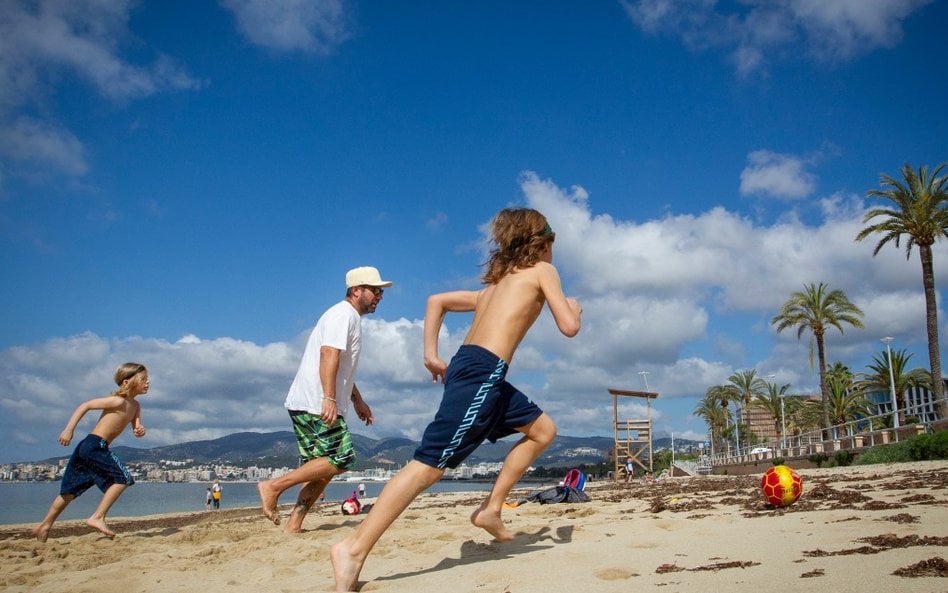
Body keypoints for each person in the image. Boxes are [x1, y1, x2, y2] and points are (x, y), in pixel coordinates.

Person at [331, 208, 582, 591]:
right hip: (482, 372)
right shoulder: (543, 271)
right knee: (429, 465)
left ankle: (492, 509)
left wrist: (431, 354)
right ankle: (353, 547)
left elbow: (437, 301)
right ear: (543, 244)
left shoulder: (493, 288)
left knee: (543, 430)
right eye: (552, 246)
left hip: (482, 372)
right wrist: (575, 309)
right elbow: (569, 327)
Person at [257, 266, 391, 533]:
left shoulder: (349, 317)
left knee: (325, 469)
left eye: (381, 292)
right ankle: (272, 486)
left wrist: (356, 400)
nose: (379, 296)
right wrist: (328, 397)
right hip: (314, 401)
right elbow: (328, 354)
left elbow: (343, 367)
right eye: (375, 291)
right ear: (356, 290)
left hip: (316, 401)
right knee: (341, 459)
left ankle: (294, 525)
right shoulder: (342, 315)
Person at [33, 362, 149, 542]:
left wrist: (139, 430)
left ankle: (45, 526)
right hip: (95, 445)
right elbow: (85, 405)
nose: (147, 382)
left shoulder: (136, 406)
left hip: (88, 448)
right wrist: (68, 429)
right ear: (127, 382)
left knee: (69, 492)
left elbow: (137, 428)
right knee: (123, 479)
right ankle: (97, 517)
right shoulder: (117, 401)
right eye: (143, 379)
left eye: (147, 379)